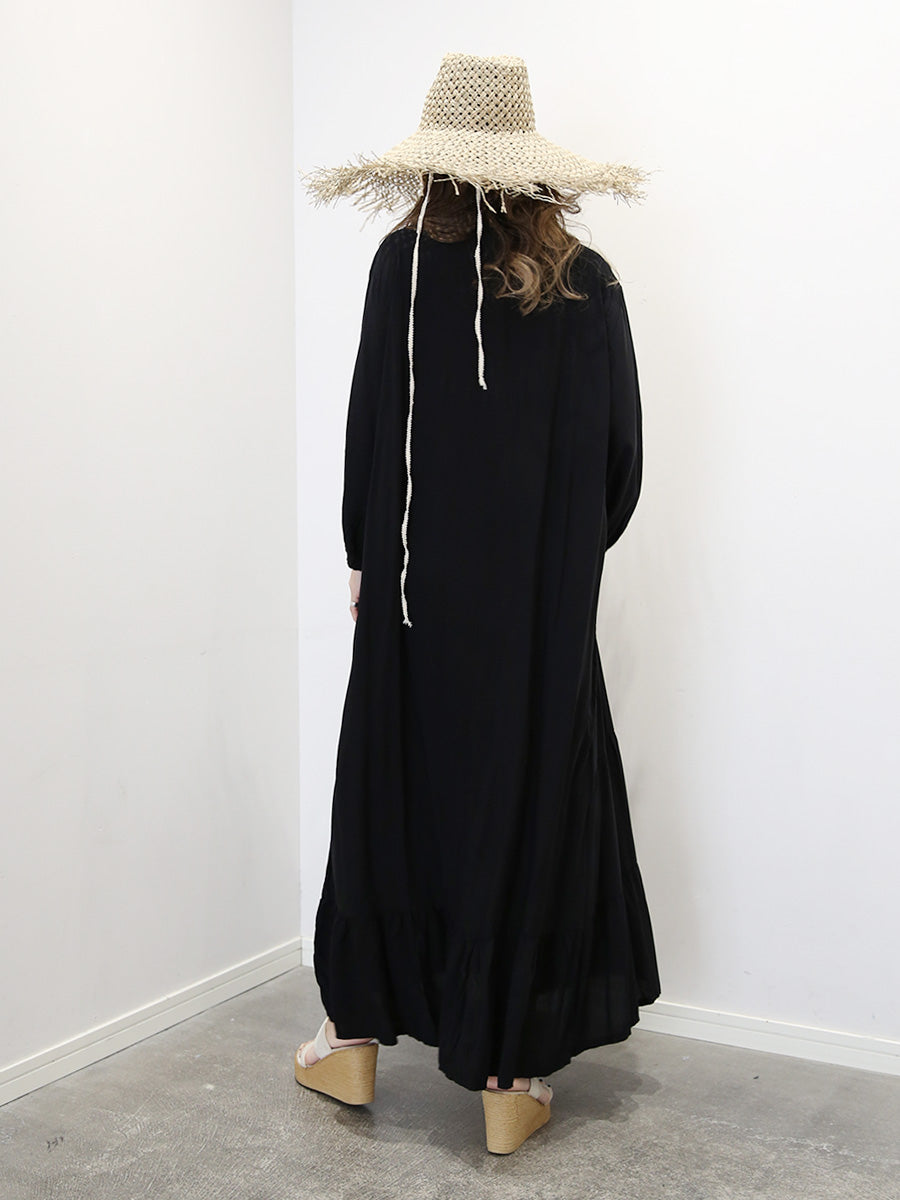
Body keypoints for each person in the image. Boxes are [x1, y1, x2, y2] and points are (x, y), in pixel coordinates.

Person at [294, 51, 662, 1154]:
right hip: (537, 605)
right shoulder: (588, 282)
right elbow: (620, 464)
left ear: (434, 167)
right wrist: (554, 562)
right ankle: (508, 1073)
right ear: (535, 169)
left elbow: (369, 432)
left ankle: (351, 1037)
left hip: (412, 594)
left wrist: (369, 557)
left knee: (396, 786)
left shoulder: (398, 267)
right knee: (525, 795)